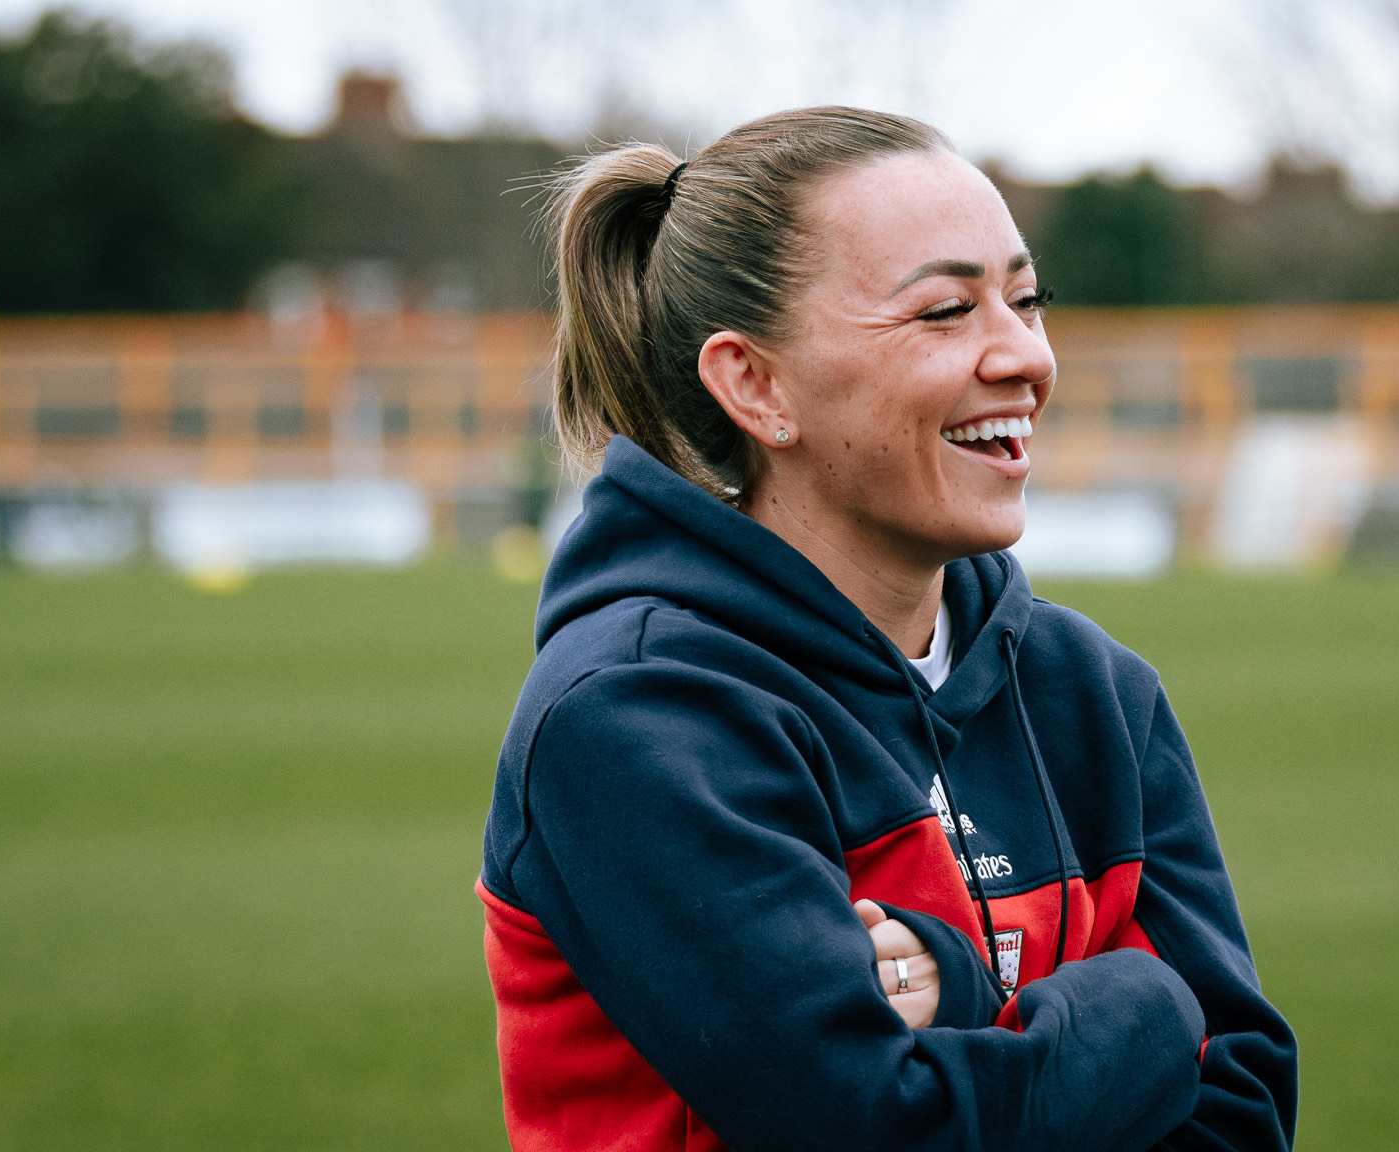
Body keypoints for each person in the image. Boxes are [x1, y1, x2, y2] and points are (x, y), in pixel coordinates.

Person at [478, 106, 1296, 1152]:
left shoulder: (1092, 690)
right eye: (945, 312)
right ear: (755, 384)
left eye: (1026, 300)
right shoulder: (635, 715)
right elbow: (877, 1128)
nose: (1024, 358)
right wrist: (1146, 1006)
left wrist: (952, 993)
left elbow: (1242, 1114)